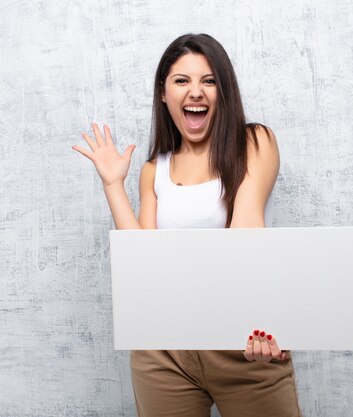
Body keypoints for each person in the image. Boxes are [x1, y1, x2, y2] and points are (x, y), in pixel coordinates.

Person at [72, 33, 301, 417]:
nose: (196, 92)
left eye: (208, 81)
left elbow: (246, 230)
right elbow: (143, 264)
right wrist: (113, 185)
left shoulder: (254, 142)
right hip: (164, 349)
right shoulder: (153, 171)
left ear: (223, 92)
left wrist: (262, 316)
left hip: (242, 343)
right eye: (182, 81)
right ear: (163, 93)